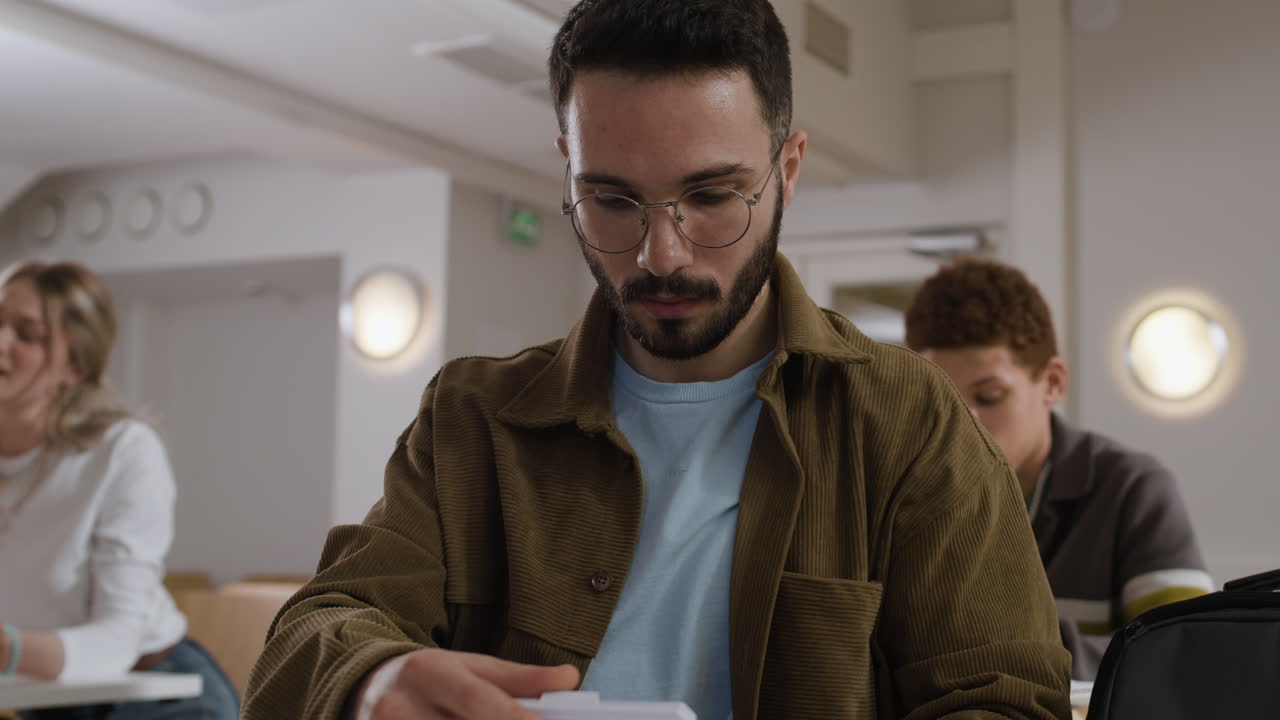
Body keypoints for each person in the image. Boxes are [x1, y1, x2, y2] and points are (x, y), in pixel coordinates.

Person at [243, 2, 1072, 718]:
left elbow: (1006, 700)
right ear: (568, 170)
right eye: (612, 201)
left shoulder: (905, 420)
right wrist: (375, 677)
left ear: (787, 171)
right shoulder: (473, 419)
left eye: (712, 197)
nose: (659, 254)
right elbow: (316, 630)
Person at [904, 256, 1214, 680]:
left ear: (1052, 382)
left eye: (990, 396)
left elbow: (1186, 657)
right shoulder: (906, 497)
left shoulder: (1134, 488)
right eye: (941, 401)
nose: (963, 423)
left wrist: (1003, 649)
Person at [0, 260, 239, 719]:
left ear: (74, 364)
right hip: (45, 698)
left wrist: (8, 649)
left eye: (26, 334)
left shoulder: (123, 451)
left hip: (158, 693)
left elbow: (117, 640)